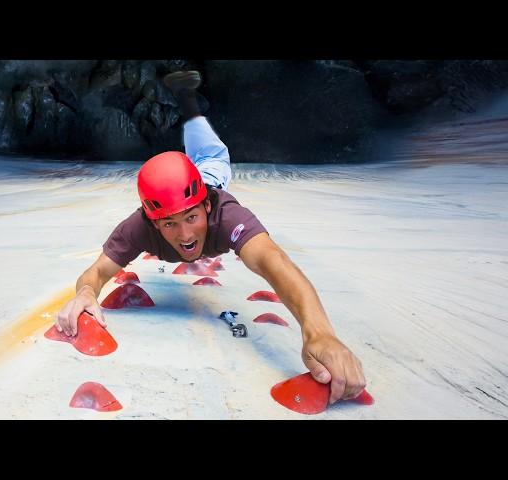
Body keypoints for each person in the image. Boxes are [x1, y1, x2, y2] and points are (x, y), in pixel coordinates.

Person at [56, 70, 366, 404]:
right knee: (194, 163)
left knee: (212, 154)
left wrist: (319, 333)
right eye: (170, 224)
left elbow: (273, 261)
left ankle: (188, 98)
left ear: (206, 205)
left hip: (209, 176)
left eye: (191, 217)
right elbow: (97, 272)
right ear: (152, 222)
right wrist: (86, 291)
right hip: (182, 189)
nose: (186, 235)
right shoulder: (138, 227)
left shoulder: (225, 214)